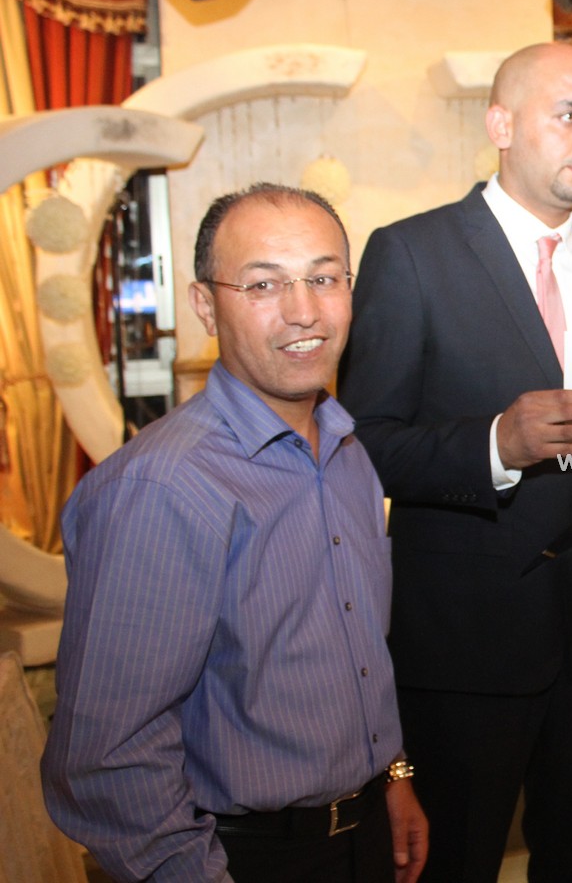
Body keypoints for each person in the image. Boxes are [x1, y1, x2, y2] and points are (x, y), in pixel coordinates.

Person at [42, 185, 427, 883]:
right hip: (243, 855)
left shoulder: (348, 454)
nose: (303, 311)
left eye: (323, 278)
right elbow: (108, 760)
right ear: (203, 305)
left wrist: (392, 775)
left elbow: (358, 648)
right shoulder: (161, 487)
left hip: (365, 829)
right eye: (263, 284)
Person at [337, 43, 572, 882]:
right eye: (569, 115)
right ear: (500, 125)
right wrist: (495, 444)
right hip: (463, 648)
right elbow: (364, 445)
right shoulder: (411, 254)